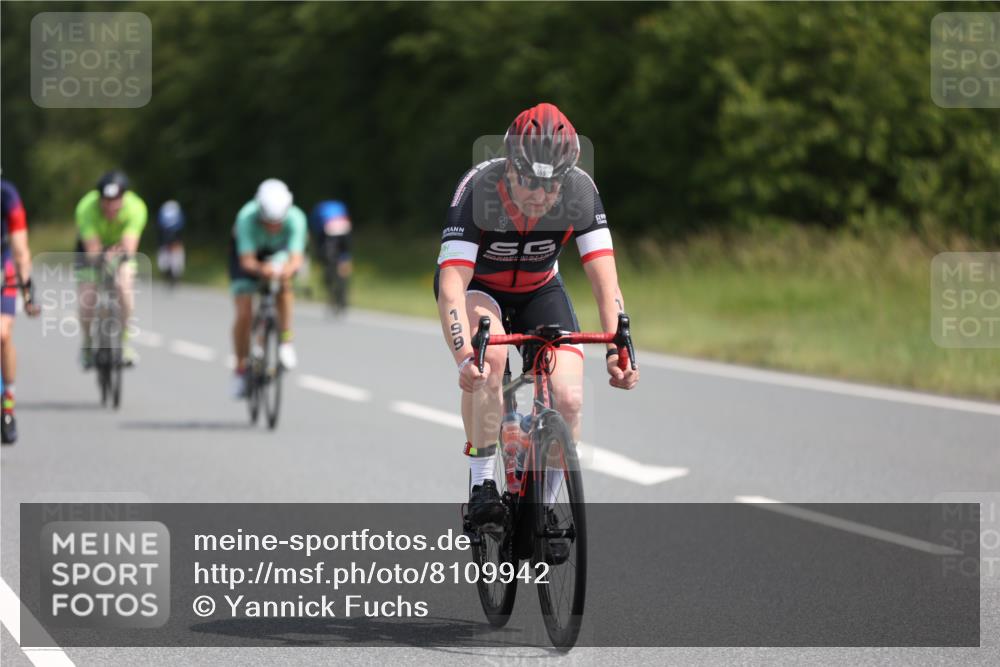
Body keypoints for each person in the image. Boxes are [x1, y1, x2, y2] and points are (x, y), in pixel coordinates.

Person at [434, 103, 639, 527]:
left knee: (569, 398)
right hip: (479, 289)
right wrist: (462, 357)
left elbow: (606, 285)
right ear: (510, 166)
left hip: (540, 288)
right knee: (487, 362)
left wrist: (620, 349)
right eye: (529, 180)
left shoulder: (581, 192)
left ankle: (542, 508)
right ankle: (482, 485)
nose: (539, 195)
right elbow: (452, 284)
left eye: (552, 186)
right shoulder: (478, 188)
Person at [229, 179, 306, 398]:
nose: (274, 227)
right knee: (244, 313)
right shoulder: (246, 217)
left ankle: (286, 341)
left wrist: (283, 271)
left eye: (278, 223)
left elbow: (296, 259)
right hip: (249, 256)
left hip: (278, 256)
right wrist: (262, 270)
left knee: (284, 285)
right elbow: (246, 261)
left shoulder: (296, 218)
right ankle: (240, 368)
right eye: (268, 223)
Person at [74, 170, 148, 369]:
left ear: (124, 197)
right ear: (99, 198)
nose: (111, 206)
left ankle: (124, 343)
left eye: (116, 200)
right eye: (106, 200)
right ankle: (88, 344)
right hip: (92, 251)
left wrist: (114, 256)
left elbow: (129, 249)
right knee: (87, 298)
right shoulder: (86, 208)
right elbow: (92, 251)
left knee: (124, 286)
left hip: (120, 251)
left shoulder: (136, 208)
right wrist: (102, 255)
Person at [1, 178, 40, 445]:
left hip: (3, 265)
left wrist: (27, 292)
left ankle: (8, 404)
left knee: (2, 334)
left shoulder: (8, 195)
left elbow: (20, 249)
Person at [309, 200, 353, 314]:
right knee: (344, 257)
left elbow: (316, 229)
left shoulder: (318, 209)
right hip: (344, 227)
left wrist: (320, 253)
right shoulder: (340, 205)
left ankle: (330, 281)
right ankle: (344, 274)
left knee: (326, 258)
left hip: (327, 229)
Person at [156, 200, 186, 286]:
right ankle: (169, 275)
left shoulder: (177, 217)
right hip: (165, 242)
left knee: (176, 260)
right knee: (165, 262)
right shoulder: (164, 216)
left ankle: (174, 276)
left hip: (174, 241)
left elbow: (180, 229)